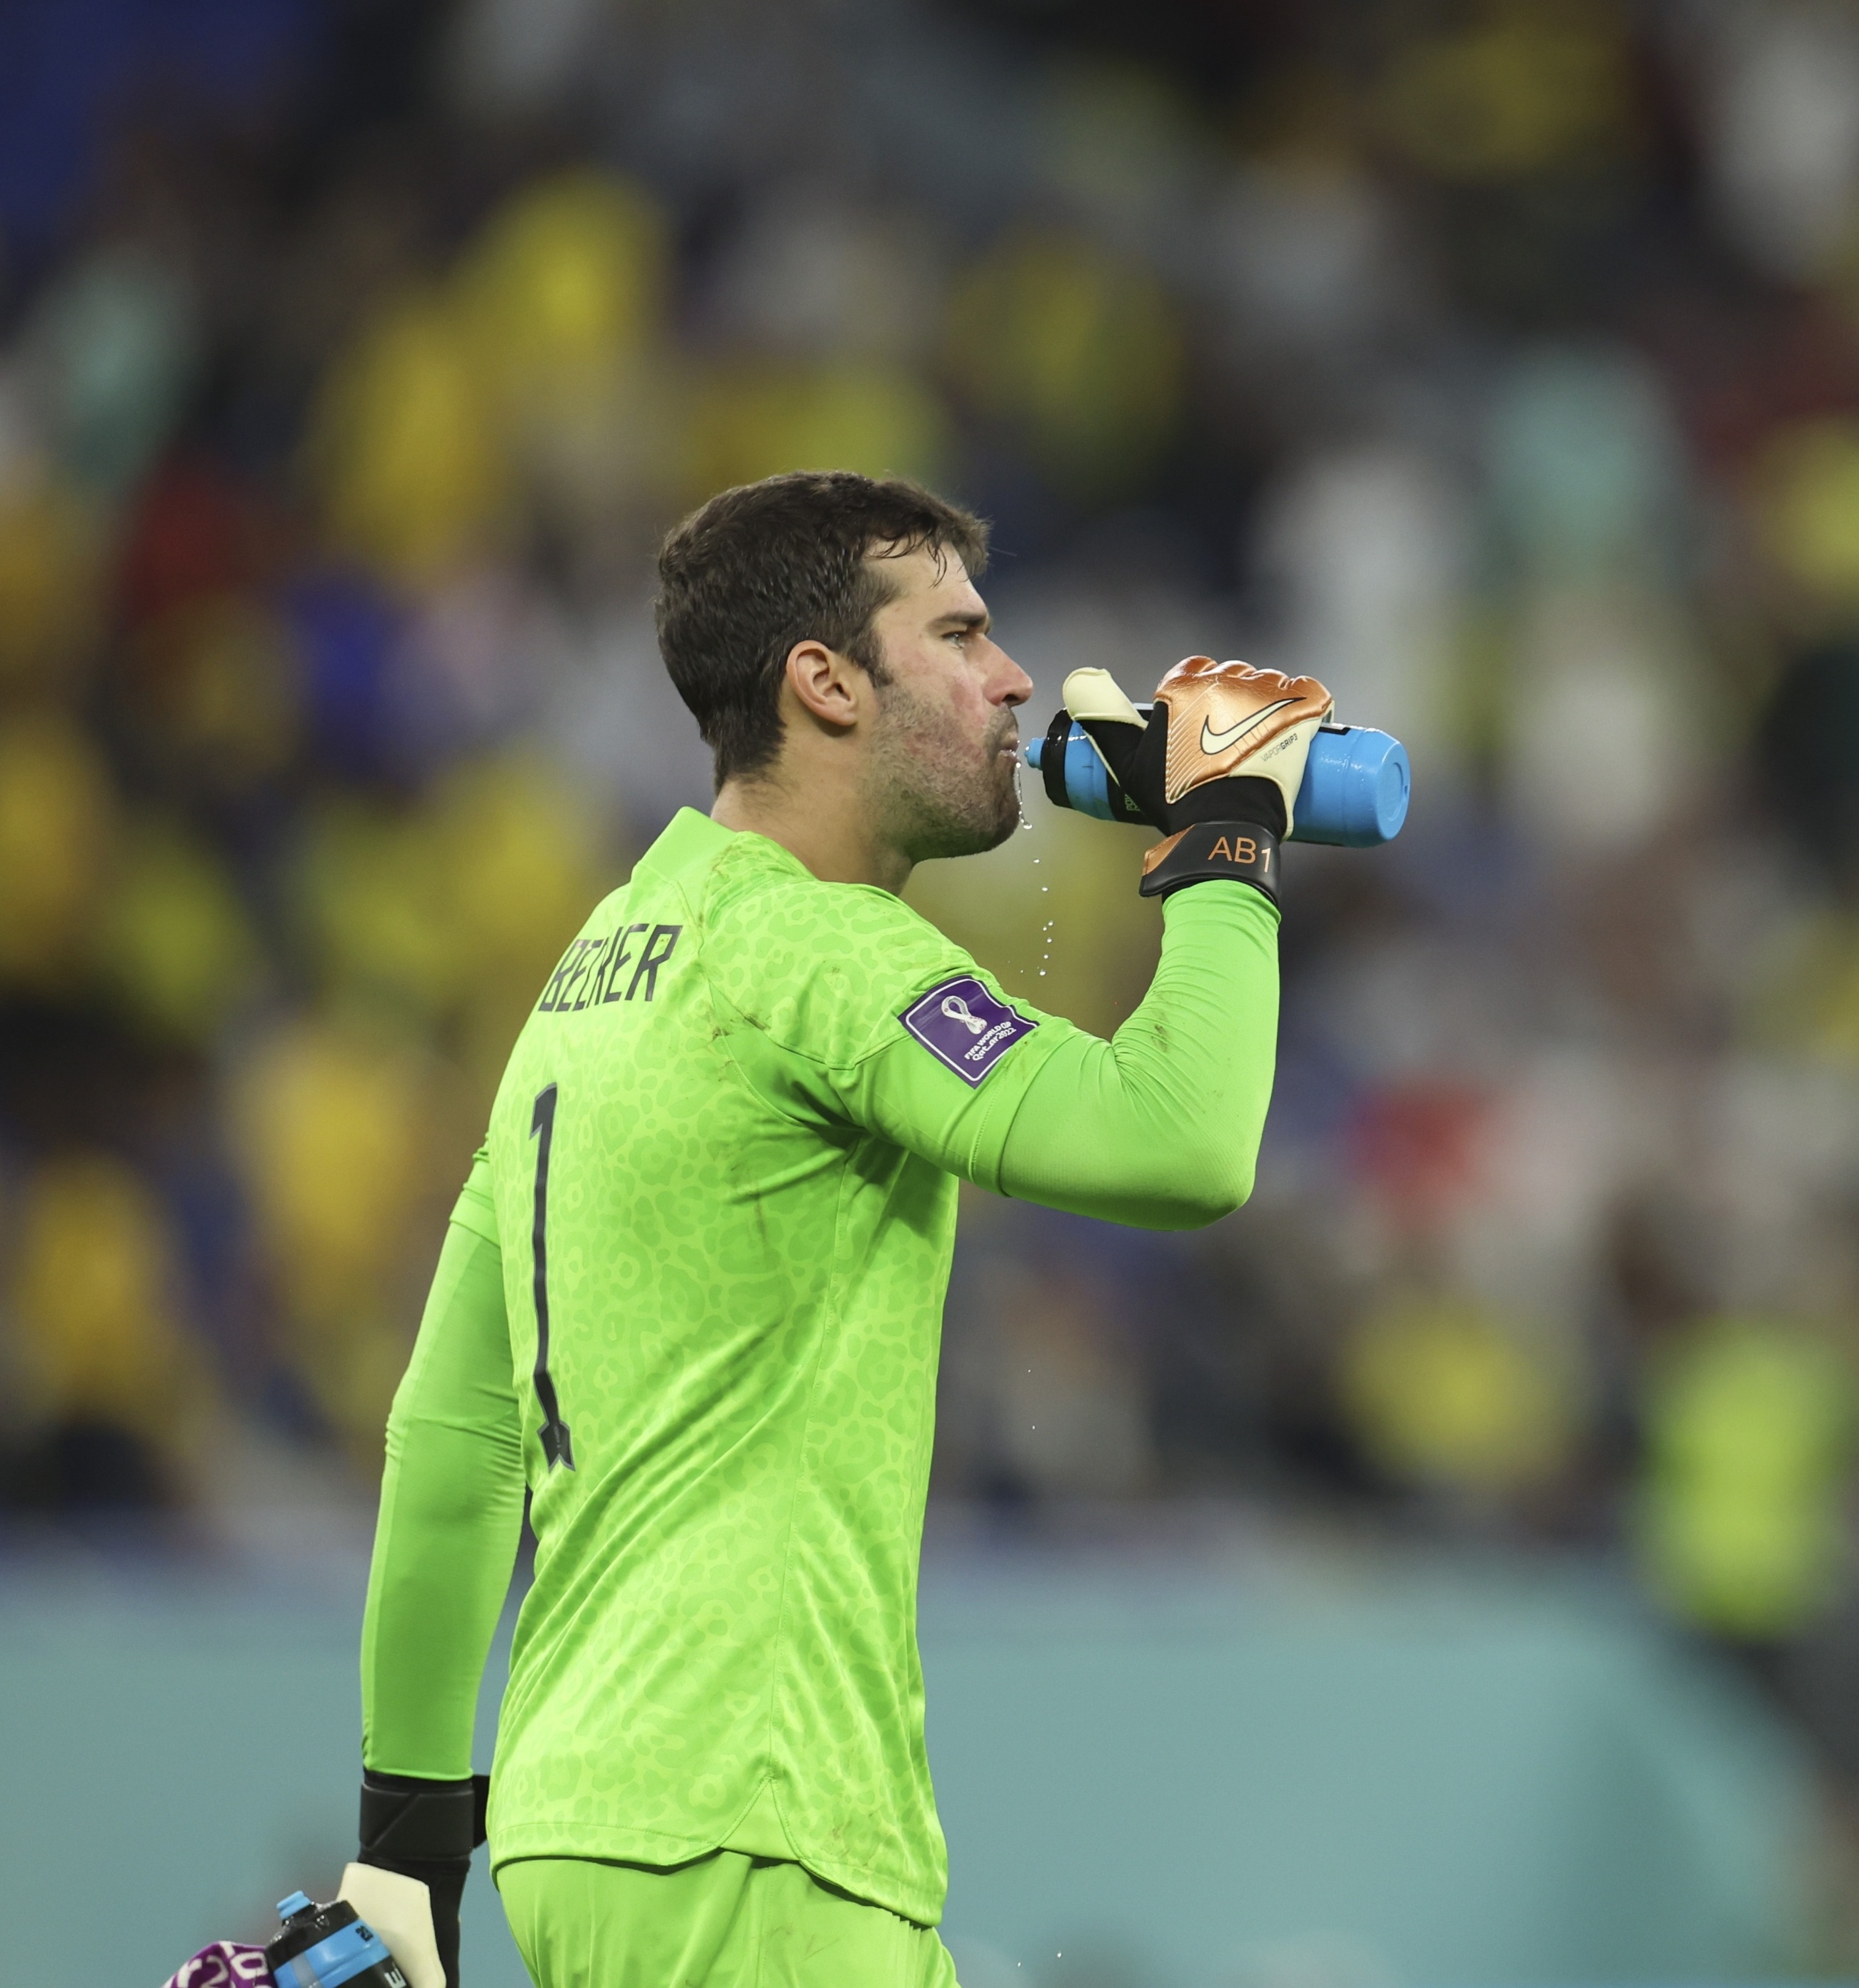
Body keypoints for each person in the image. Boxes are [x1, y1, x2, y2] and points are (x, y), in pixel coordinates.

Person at [339, 470, 1336, 1988]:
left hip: (591, 1827)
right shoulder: (814, 951)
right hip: (756, 1830)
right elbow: (1178, 1145)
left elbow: (454, 1435)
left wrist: (406, 1838)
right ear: (825, 684)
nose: (1011, 680)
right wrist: (1226, 834)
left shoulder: (597, 970)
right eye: (959, 633)